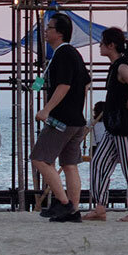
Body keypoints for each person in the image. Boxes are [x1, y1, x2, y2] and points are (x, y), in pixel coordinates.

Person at [31, 12, 91, 223]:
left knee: (39, 158)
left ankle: (64, 203)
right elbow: (85, 84)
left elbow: (64, 85)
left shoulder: (63, 54)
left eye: (49, 28)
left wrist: (47, 109)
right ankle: (73, 210)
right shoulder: (72, 54)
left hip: (62, 120)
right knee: (69, 164)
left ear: (59, 32)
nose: (45, 32)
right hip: (76, 119)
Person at [84, 28, 128, 222]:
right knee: (98, 163)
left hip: (125, 126)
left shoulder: (122, 67)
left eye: (102, 43)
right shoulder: (115, 67)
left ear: (111, 45)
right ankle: (100, 206)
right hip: (114, 126)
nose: (100, 46)